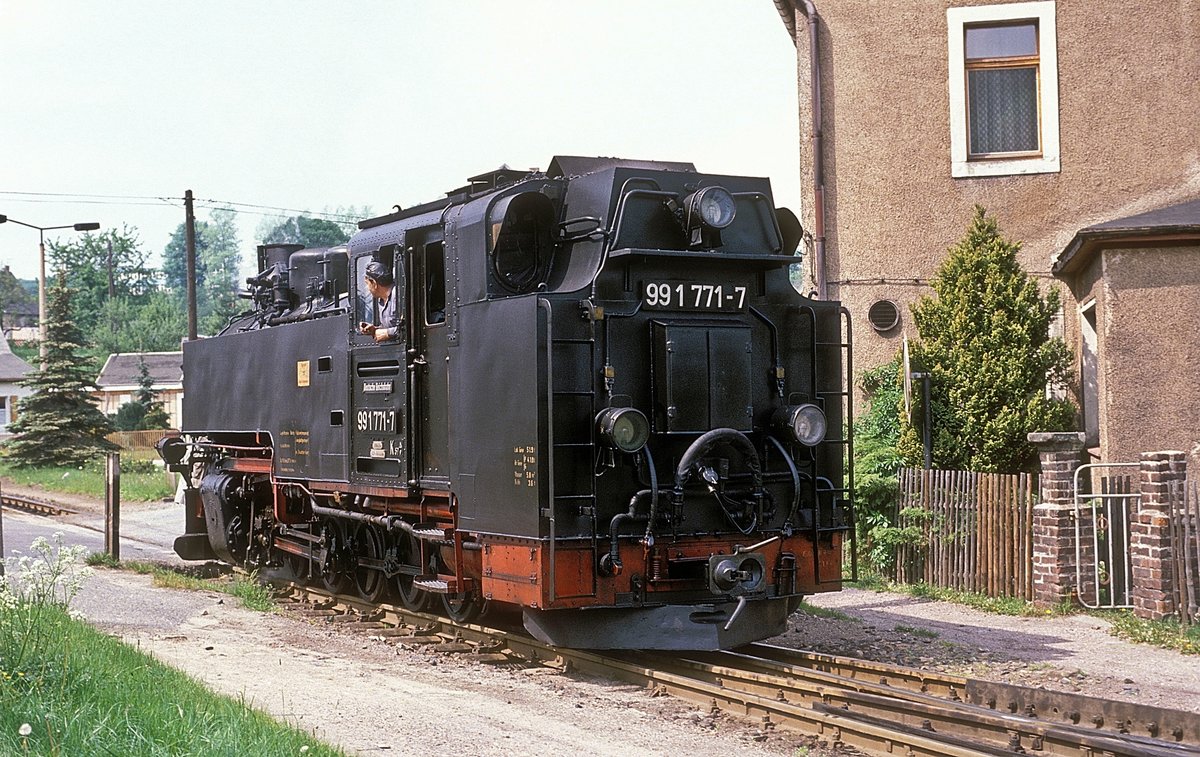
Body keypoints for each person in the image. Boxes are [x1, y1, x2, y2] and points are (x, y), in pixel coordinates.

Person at [358, 261, 401, 342]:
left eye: (367, 284)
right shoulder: (381, 301)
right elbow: (391, 326)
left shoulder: (397, 296)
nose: (367, 288)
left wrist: (388, 333)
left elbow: (410, 328)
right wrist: (375, 329)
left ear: (374, 283)